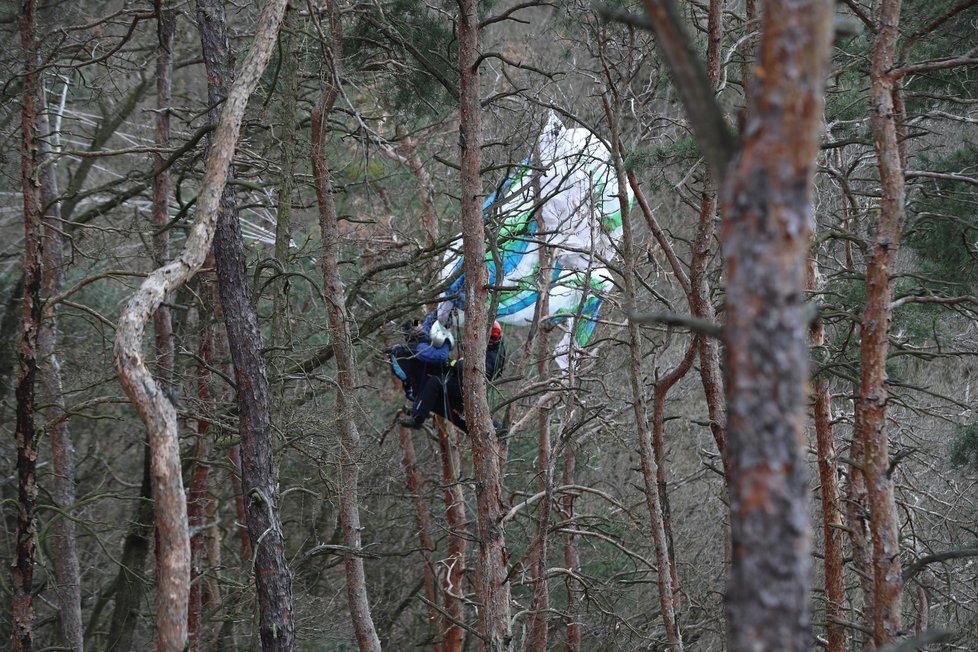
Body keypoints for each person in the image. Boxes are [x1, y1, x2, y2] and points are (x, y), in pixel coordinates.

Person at [399, 320, 507, 432]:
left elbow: (439, 354)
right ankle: (419, 409)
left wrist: (454, 364)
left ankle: (418, 415)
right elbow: (428, 321)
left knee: (434, 383)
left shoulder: (493, 355)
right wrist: (415, 322)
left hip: (468, 381)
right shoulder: (436, 319)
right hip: (456, 371)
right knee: (432, 390)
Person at [387, 313, 453, 403]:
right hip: (429, 388)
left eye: (419, 324)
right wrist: (447, 340)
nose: (420, 326)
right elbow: (440, 356)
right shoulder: (417, 348)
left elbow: (429, 321)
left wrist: (443, 309)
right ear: (413, 332)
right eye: (417, 325)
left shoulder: (421, 335)